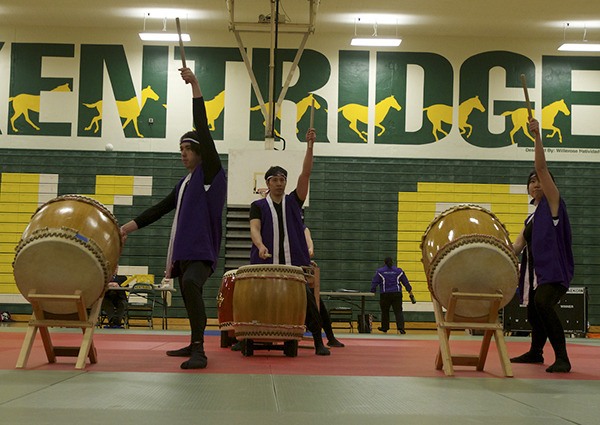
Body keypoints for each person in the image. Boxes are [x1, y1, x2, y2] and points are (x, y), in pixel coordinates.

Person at [120, 67, 227, 370]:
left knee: (191, 285)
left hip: (201, 251)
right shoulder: (184, 184)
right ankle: (193, 342)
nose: (182, 153)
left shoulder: (210, 175)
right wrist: (123, 229)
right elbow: (158, 209)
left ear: (200, 152)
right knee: (187, 291)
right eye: (180, 148)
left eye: (188, 149)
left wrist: (195, 85)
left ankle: (200, 351)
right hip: (184, 251)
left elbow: (203, 128)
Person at [249, 128, 330, 356]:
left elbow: (305, 174)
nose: (279, 183)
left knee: (307, 304)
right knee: (257, 301)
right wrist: (260, 245)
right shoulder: (258, 206)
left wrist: (310, 146)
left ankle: (317, 341)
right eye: (274, 179)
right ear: (267, 182)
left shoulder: (294, 201)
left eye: (283, 179)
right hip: (266, 264)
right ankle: (246, 336)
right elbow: (254, 229)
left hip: (293, 266)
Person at [510, 117, 574, 373]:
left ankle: (563, 358)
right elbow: (516, 246)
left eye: (539, 180)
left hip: (554, 271)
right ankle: (536, 352)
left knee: (543, 305)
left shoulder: (554, 204)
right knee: (534, 312)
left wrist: (537, 136)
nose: (536, 182)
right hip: (535, 274)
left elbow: (542, 167)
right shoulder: (531, 217)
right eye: (531, 181)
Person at [304, 226, 345, 348]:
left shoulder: (302, 228)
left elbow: (309, 243)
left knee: (320, 307)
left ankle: (330, 337)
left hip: (303, 275)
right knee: (313, 308)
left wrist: (309, 254)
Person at [370, 257, 415, 334]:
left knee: (385, 311)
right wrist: (409, 292)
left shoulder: (380, 271)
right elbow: (405, 282)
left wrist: (372, 291)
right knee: (398, 311)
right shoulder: (399, 271)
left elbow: (375, 282)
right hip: (397, 294)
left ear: (384, 263)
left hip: (385, 294)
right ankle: (401, 328)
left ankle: (385, 327)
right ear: (392, 262)